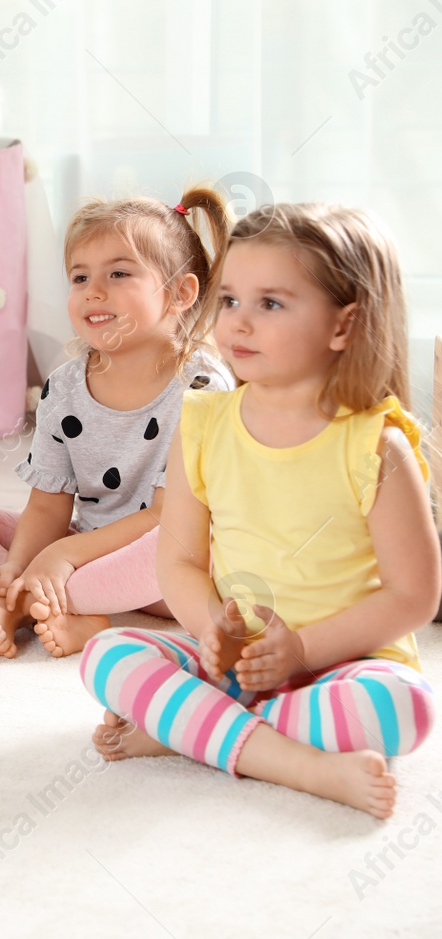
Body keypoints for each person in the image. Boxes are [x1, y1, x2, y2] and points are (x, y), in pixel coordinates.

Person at [81, 203, 438, 818]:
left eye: (270, 304)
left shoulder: (378, 444)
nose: (239, 324)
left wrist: (299, 651)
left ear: (343, 326)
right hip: (237, 661)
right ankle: (294, 760)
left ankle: (197, 731)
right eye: (230, 301)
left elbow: (414, 597)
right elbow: (182, 561)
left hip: (348, 664)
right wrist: (212, 629)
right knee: (106, 658)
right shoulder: (203, 423)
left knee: (405, 710)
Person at [0, 187, 235, 658]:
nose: (94, 290)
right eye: (79, 276)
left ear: (179, 293)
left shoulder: (201, 387)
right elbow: (49, 508)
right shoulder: (66, 386)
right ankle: (35, 595)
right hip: (92, 548)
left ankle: (29, 605)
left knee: (170, 546)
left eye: (118, 273)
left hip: (173, 560)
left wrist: (61, 557)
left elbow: (165, 518)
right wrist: (18, 562)